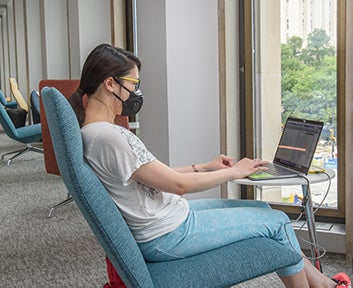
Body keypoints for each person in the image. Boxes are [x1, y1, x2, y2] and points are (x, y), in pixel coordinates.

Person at [69, 43, 351, 288]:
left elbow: (156, 176)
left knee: (265, 211)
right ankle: (322, 285)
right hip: (168, 234)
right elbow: (177, 186)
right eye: (132, 84)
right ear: (110, 84)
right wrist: (234, 172)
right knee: (277, 222)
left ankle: (323, 284)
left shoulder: (96, 133)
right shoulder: (109, 137)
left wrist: (207, 167)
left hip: (165, 221)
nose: (135, 92)